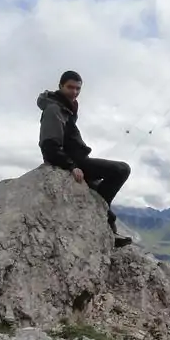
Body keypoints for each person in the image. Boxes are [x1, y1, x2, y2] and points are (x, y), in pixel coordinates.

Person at [36, 69, 133, 248]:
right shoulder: (54, 109)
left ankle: (106, 225)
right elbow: (49, 145)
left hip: (76, 158)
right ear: (60, 86)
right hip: (72, 161)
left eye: (78, 88)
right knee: (121, 170)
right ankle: (98, 213)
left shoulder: (67, 107)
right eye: (70, 87)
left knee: (97, 191)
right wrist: (71, 166)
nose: (74, 92)